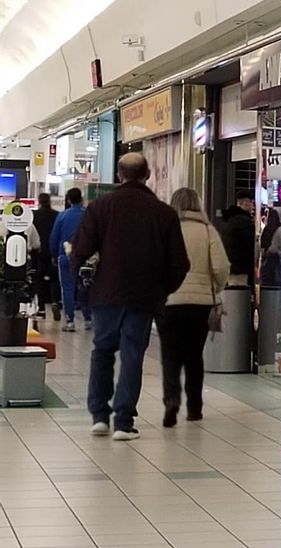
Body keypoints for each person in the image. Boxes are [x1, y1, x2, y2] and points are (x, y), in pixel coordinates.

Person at [72, 153, 189, 441]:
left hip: (106, 295)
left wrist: (86, 284)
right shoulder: (164, 213)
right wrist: (162, 290)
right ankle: (123, 422)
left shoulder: (100, 207)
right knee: (132, 356)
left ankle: (99, 416)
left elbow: (80, 251)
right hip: (143, 296)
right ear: (147, 174)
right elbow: (180, 264)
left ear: (120, 175)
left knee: (102, 352)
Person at [159, 188, 229, 427]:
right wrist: (214, 288)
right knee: (193, 357)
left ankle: (171, 400)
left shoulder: (165, 230)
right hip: (200, 303)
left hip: (169, 301)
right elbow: (221, 266)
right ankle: (194, 408)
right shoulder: (207, 231)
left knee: (170, 356)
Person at [50, 189, 88, 331]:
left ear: (68, 200)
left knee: (67, 287)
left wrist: (54, 255)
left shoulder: (62, 216)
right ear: (81, 199)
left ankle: (70, 320)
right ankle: (88, 319)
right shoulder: (88, 215)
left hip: (65, 255)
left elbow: (54, 238)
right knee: (85, 286)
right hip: (86, 256)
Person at [33, 193, 59, 319]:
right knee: (54, 278)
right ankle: (55, 302)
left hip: (39, 251)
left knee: (39, 279)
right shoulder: (56, 215)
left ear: (39, 201)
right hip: (53, 251)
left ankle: (41, 308)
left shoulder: (34, 215)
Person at [221, 190, 255, 286]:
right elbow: (250, 244)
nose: (253, 207)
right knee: (239, 294)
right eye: (252, 203)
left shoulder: (230, 220)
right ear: (245, 203)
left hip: (232, 266)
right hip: (240, 267)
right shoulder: (243, 221)